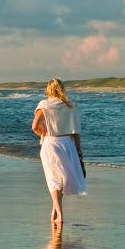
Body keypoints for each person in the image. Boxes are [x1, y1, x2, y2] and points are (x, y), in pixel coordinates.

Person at [32, 78, 87, 223]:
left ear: (49, 89)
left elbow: (34, 126)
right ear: (62, 89)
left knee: (53, 179)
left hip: (51, 142)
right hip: (67, 144)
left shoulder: (44, 105)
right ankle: (55, 210)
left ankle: (59, 214)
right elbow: (76, 133)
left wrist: (42, 134)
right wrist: (79, 152)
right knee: (62, 179)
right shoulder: (70, 106)